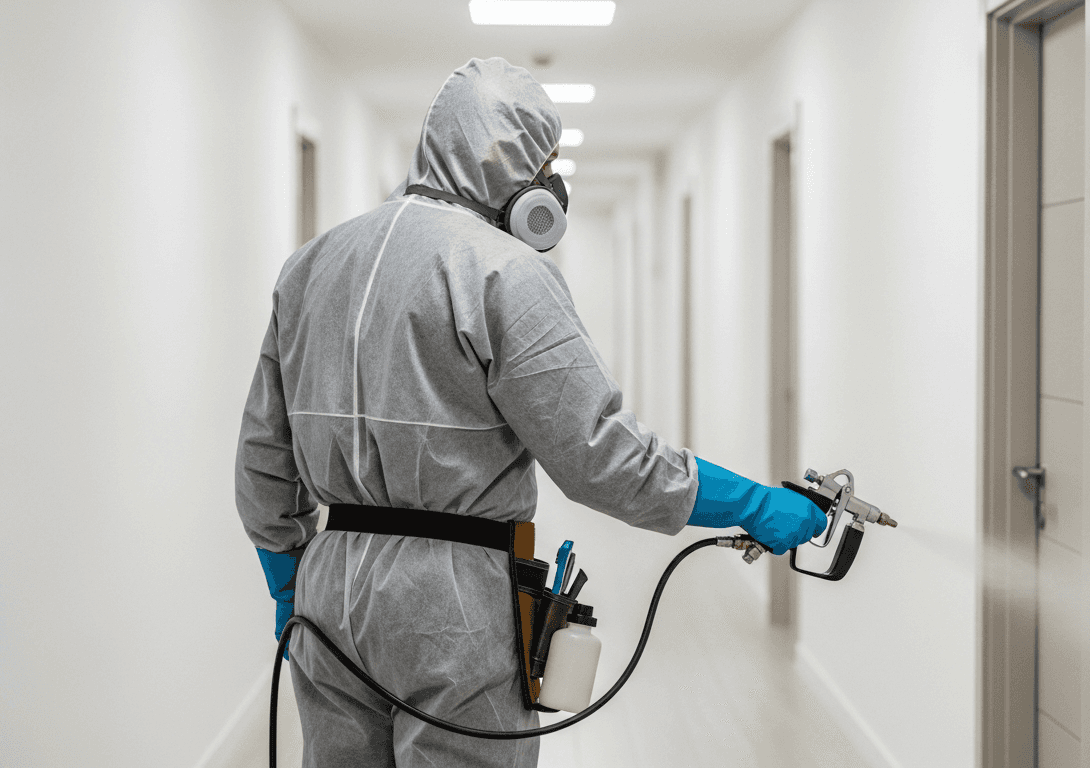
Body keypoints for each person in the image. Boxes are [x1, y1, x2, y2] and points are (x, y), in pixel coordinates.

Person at [235, 57, 826, 768]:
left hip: (327, 591)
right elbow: (600, 460)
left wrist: (287, 577)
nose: (550, 183)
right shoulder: (505, 271)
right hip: (451, 601)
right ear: (509, 162)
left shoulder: (310, 265)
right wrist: (749, 501)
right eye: (544, 161)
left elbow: (264, 454)